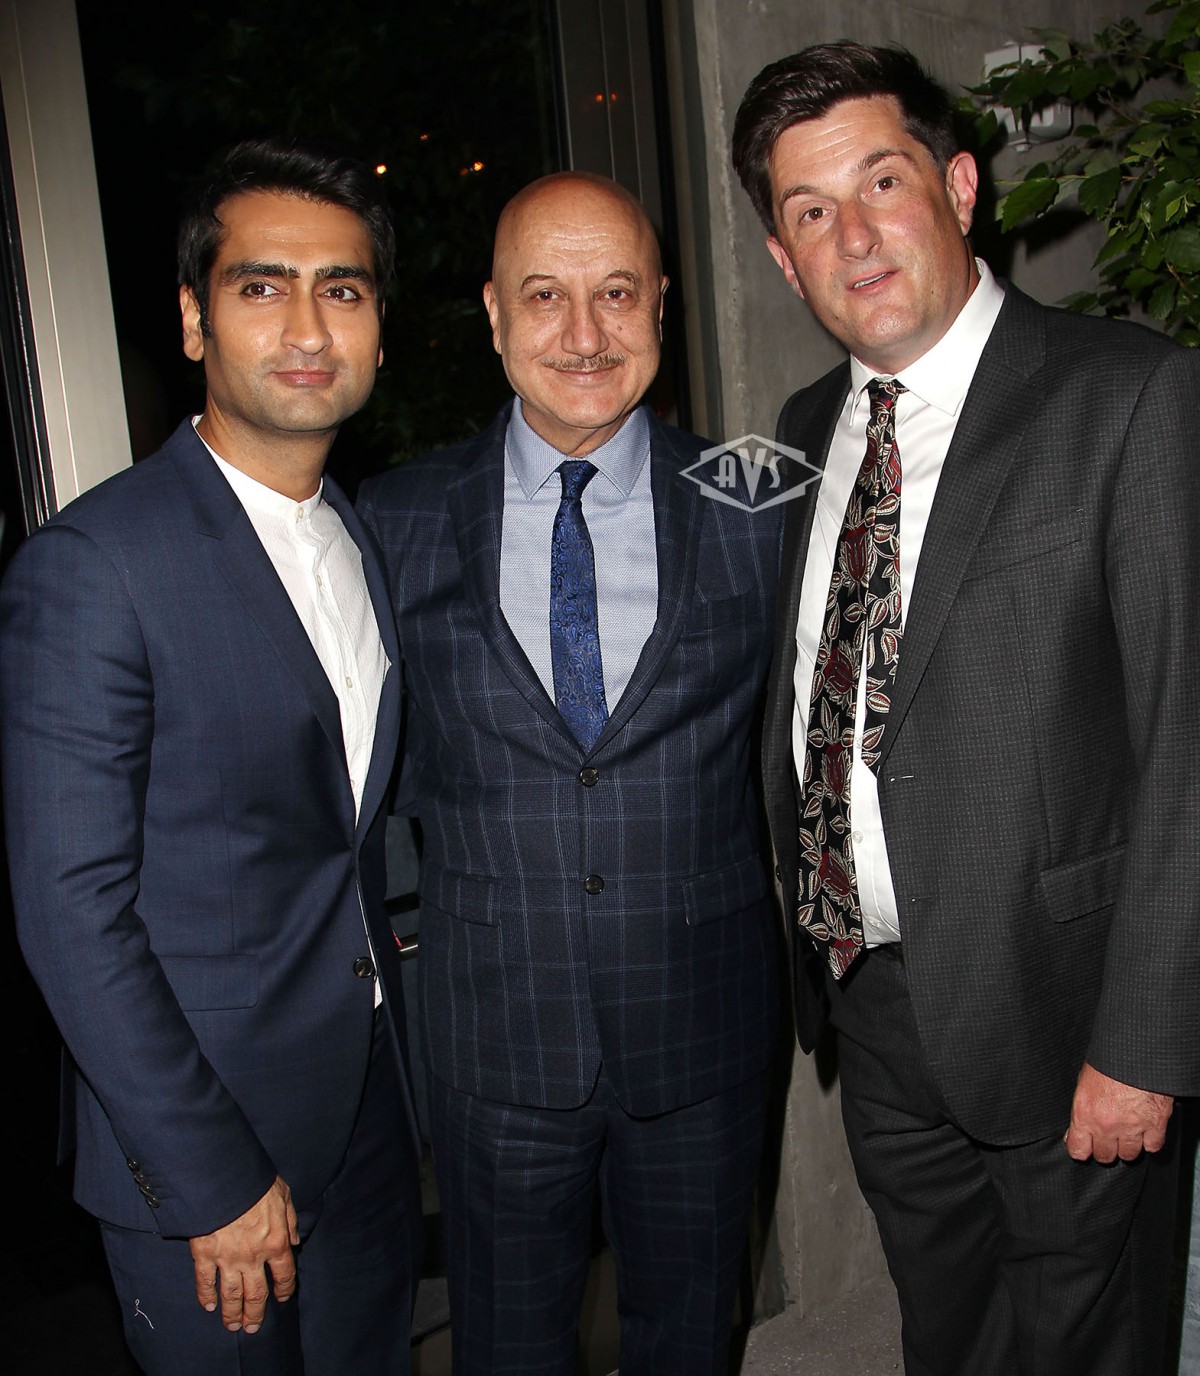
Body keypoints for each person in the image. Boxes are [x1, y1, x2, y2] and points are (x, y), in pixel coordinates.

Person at [732, 41, 1200, 1376]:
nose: (853, 235)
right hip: (876, 1011)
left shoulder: (1129, 393)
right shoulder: (805, 424)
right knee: (947, 1338)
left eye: (881, 182)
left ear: (959, 185)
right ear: (782, 260)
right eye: (810, 210)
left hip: (1069, 1019)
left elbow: (1189, 742)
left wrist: (1146, 1042)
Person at [0, 139, 422, 1375]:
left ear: (378, 329)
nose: (308, 326)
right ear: (194, 320)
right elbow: (69, 911)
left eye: (343, 289)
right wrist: (212, 1177)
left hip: (368, 1111)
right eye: (260, 286)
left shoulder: (354, 533)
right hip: (205, 1157)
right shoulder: (96, 567)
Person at [358, 170, 780, 1375]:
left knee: (691, 1338)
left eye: (617, 293)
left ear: (663, 305)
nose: (584, 333)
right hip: (494, 1034)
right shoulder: (393, 515)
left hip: (702, 1025)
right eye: (545, 295)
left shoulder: (761, 494)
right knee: (505, 1345)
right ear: (494, 314)